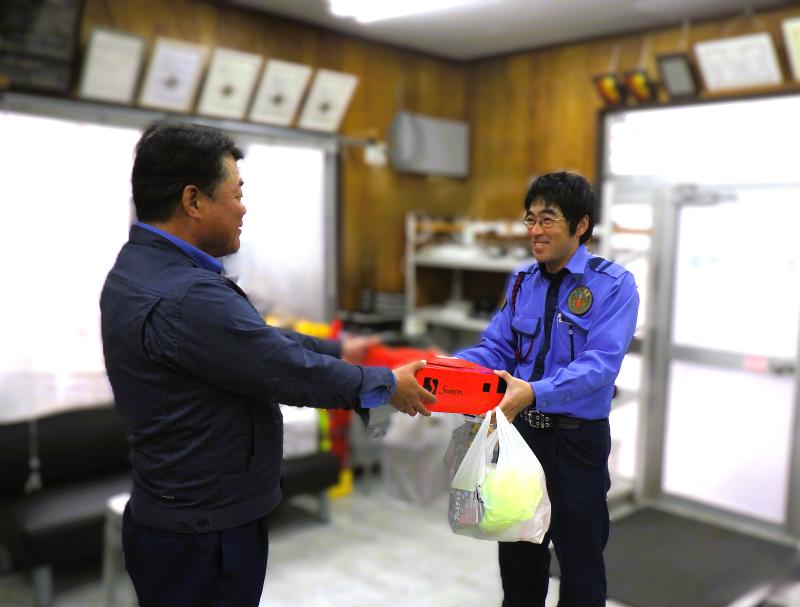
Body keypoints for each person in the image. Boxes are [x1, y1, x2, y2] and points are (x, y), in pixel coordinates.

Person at [100, 121, 435, 607]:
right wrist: (384, 384)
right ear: (193, 200)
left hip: (176, 515)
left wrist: (339, 351)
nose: (243, 208)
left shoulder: (139, 269)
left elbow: (247, 343)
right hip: (203, 534)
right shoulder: (187, 295)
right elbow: (279, 367)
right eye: (237, 193)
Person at [456, 171, 639, 607]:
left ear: (580, 225)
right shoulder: (522, 281)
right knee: (519, 567)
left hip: (577, 446)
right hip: (522, 438)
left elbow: (599, 365)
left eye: (548, 219)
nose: (535, 230)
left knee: (581, 572)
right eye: (531, 219)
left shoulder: (614, 285)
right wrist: (451, 370)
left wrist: (534, 392)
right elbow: (498, 347)